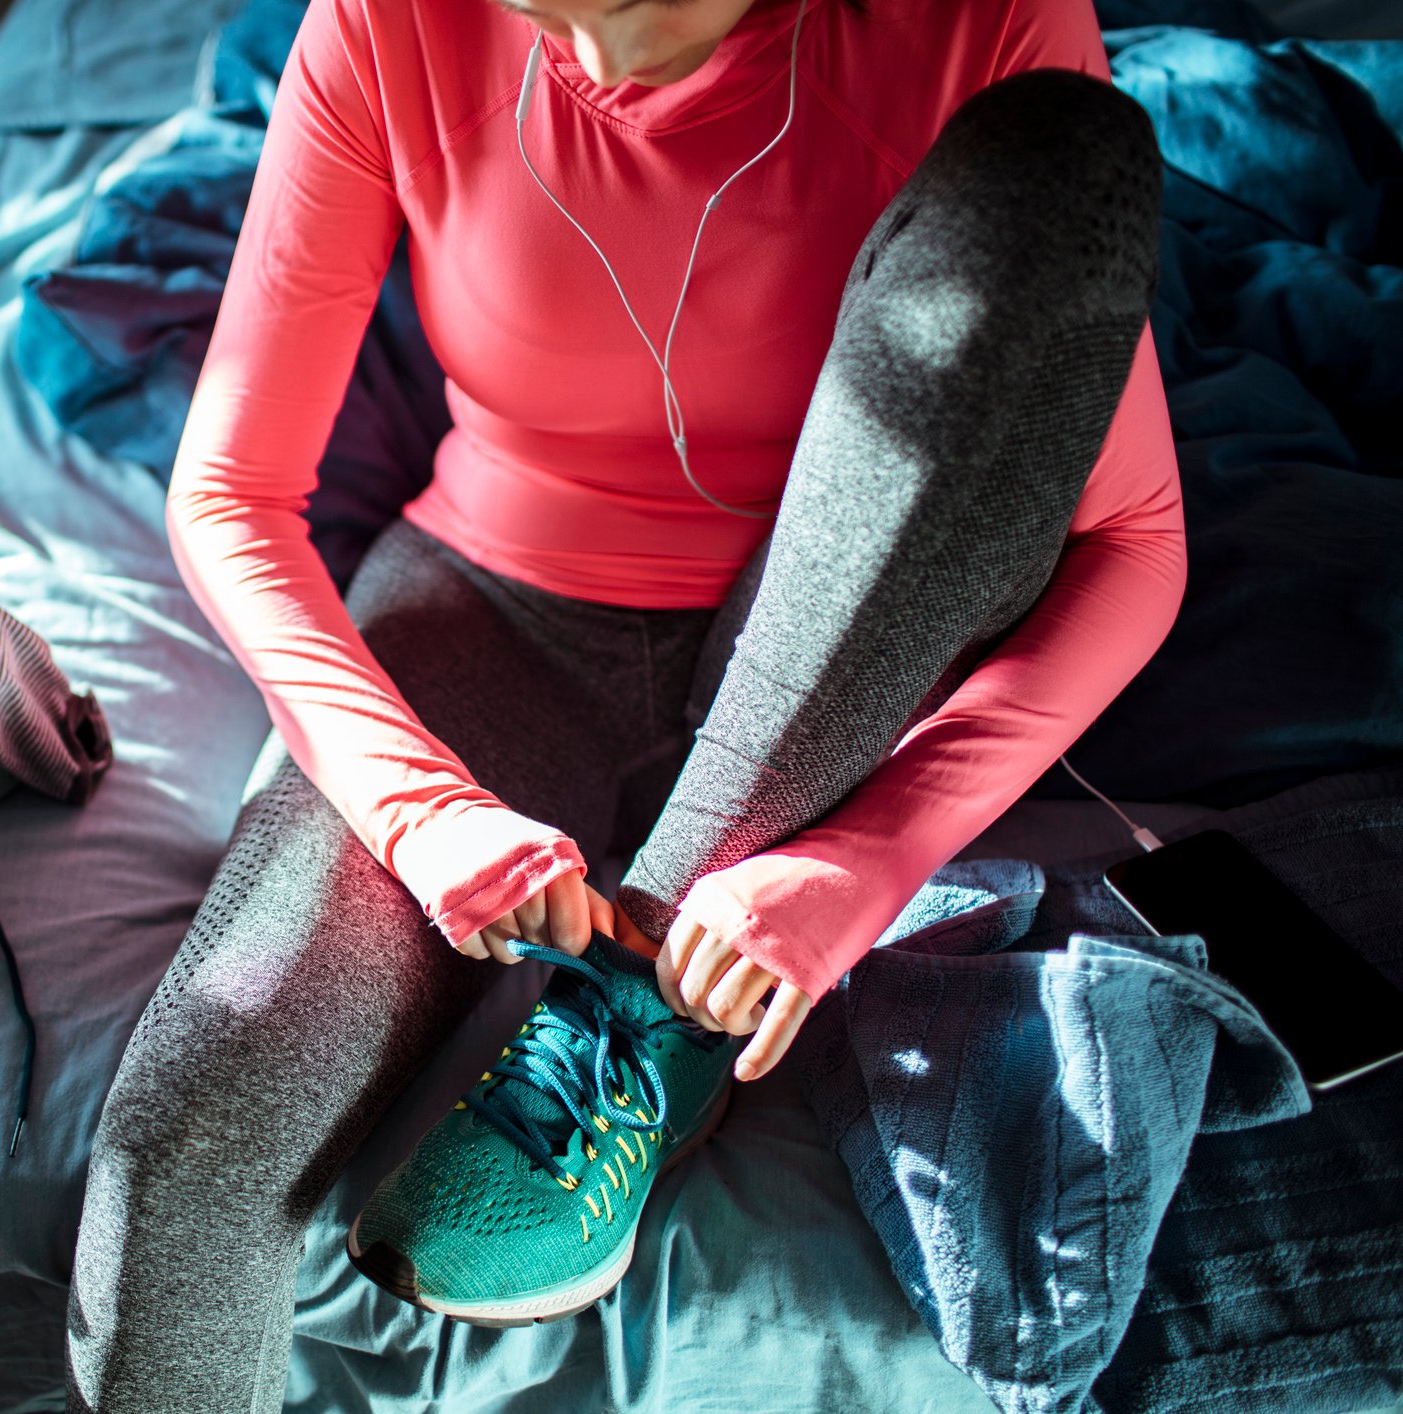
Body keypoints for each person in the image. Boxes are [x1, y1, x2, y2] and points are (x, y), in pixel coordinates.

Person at [68, 0, 1183, 1404]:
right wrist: (415, 812)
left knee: (1061, 164)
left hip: (830, 641)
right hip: (493, 605)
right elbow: (228, 495)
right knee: (178, 1156)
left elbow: (1133, 542)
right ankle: (658, 983)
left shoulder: (979, 23)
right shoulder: (379, 25)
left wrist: (852, 863)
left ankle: (652, 997)